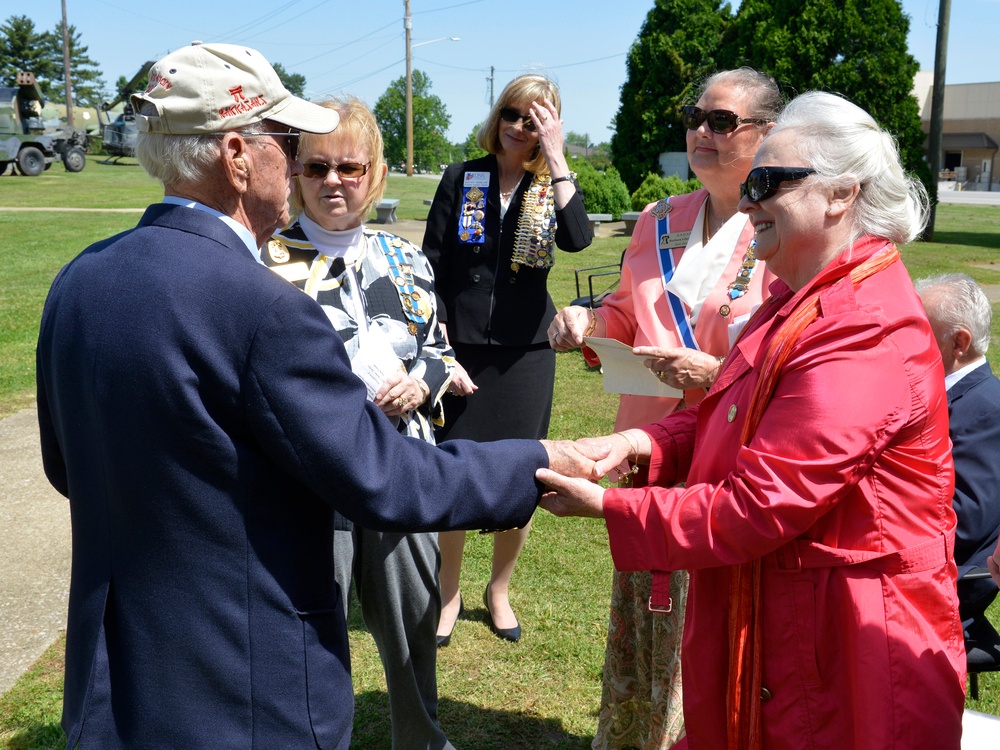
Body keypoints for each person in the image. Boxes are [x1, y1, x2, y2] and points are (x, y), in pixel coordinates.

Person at [34, 42, 600, 750]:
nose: (302, 162)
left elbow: (68, 469)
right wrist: (543, 456)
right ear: (238, 155)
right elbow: (381, 477)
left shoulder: (79, 282)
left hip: (118, 692)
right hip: (244, 695)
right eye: (289, 142)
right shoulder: (265, 306)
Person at [537, 91, 966, 748]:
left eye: (766, 183)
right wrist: (637, 445)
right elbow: (732, 414)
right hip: (790, 637)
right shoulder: (796, 305)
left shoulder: (863, 330)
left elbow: (760, 505)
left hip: (847, 667)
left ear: (839, 196)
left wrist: (608, 506)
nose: (746, 202)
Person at [547, 67, 781, 749]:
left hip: (729, 465)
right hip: (645, 452)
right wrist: (586, 323)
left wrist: (720, 375)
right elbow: (626, 310)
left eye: (722, 122)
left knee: (708, 628)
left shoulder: (778, 225)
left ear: (765, 136)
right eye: (695, 117)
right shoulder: (658, 219)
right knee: (647, 618)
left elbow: (796, 348)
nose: (701, 132)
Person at [262, 96, 457, 750]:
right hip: (309, 484)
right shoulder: (268, 262)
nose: (333, 182)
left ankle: (421, 739)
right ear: (294, 172)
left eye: (350, 166)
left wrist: (419, 383)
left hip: (404, 471)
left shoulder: (406, 261)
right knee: (311, 639)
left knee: (413, 628)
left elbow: (440, 351)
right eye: (316, 168)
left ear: (374, 173)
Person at [424, 73, 593, 645]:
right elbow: (434, 261)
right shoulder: (462, 177)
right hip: (462, 348)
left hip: (526, 352)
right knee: (454, 468)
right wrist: (439, 327)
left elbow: (578, 239)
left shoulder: (552, 185)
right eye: (515, 115)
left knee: (522, 474)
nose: (523, 126)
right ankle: (450, 593)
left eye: (537, 118)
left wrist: (558, 156)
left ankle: (499, 589)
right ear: (498, 118)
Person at [915, 273, 1000, 645]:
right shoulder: (946, 395)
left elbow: (965, 521)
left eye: (917, 328)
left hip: (941, 590)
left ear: (958, 342)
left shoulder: (986, 409)